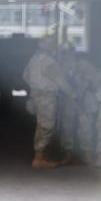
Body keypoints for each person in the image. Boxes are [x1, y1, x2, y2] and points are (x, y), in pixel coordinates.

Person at [23, 37, 73, 169]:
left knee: (41, 125)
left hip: (36, 95)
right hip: (46, 97)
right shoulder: (49, 62)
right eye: (52, 45)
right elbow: (61, 81)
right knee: (47, 126)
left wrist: (36, 85)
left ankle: (41, 155)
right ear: (49, 47)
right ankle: (39, 158)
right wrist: (72, 93)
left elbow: (25, 76)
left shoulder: (34, 59)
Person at [57, 43, 99, 165]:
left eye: (69, 51)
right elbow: (58, 83)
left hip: (83, 101)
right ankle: (68, 153)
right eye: (64, 52)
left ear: (73, 52)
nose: (66, 55)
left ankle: (87, 153)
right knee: (67, 127)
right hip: (68, 101)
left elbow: (93, 81)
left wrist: (82, 89)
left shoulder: (84, 65)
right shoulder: (60, 66)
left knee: (85, 127)